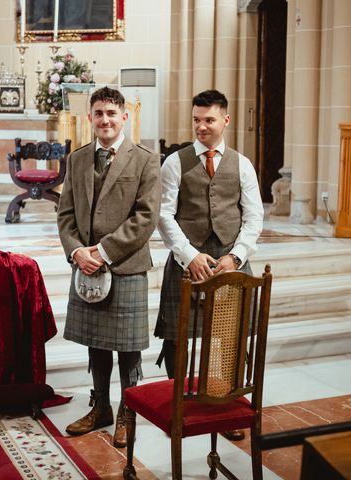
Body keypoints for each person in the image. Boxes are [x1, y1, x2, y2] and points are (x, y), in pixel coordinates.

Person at [154, 89, 264, 441]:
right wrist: (190, 254)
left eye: (209, 120)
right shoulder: (175, 162)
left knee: (228, 338)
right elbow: (164, 215)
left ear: (225, 120)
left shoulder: (242, 164)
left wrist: (236, 256)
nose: (201, 127)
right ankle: (177, 403)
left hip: (231, 262)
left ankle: (225, 407)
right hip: (189, 261)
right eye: (196, 120)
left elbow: (254, 216)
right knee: (177, 338)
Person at [57, 86, 161, 448]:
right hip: (85, 266)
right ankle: (100, 406)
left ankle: (127, 413)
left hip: (125, 265)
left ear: (124, 117)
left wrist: (102, 251)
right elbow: (65, 214)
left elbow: (146, 217)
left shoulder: (146, 159)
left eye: (111, 114)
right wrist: (76, 252)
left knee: (127, 346)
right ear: (90, 118)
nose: (105, 120)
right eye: (98, 113)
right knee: (96, 343)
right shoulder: (78, 159)